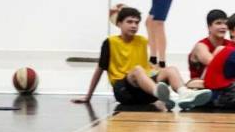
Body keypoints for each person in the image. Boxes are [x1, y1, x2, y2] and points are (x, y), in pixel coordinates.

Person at [72, 7, 211, 110]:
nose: (134, 25)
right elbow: (100, 69)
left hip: (144, 90)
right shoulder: (110, 42)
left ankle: (184, 94)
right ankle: (160, 93)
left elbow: (149, 67)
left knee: (171, 69)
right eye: (130, 22)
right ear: (119, 24)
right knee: (137, 70)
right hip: (123, 90)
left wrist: (160, 72)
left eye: (137, 22)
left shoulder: (142, 41)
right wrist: (88, 96)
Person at [187, 9, 231, 89]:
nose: (223, 27)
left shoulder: (229, 44)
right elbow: (214, 64)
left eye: (226, 24)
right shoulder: (201, 46)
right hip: (199, 87)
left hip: (220, 84)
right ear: (209, 27)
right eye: (218, 23)